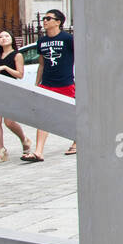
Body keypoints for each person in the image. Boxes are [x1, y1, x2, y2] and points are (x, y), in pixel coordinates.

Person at [24, 9, 76, 162]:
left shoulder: (68, 39)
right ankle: (38, 152)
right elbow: (41, 64)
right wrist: (37, 83)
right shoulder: (41, 41)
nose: (44, 21)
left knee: (71, 115)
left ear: (58, 22)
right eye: (43, 19)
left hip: (66, 83)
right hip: (47, 83)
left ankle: (77, 141)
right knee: (43, 117)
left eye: (48, 18)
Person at [0, 30, 31, 163]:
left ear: (11, 39)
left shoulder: (17, 55)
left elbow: (20, 74)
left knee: (9, 122)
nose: (3, 38)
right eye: (0, 37)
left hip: (11, 90)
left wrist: (5, 67)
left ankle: (24, 140)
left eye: (6, 36)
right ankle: (1, 151)